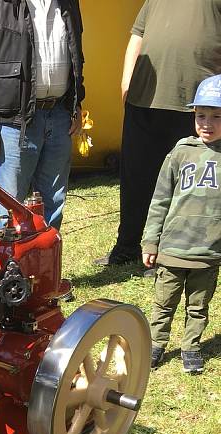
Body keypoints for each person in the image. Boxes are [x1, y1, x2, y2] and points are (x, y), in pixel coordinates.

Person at [96, 0, 221, 267]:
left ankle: (174, 253)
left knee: (186, 185)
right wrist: (126, 81)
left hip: (196, 106)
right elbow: (137, 36)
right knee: (136, 180)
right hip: (144, 100)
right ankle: (127, 246)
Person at [0, 0, 84, 230]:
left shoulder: (69, 2)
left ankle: (44, 264)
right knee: (10, 208)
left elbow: (76, 54)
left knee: (53, 204)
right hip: (14, 123)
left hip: (59, 115)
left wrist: (76, 104)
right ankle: (10, 265)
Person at [144, 74, 221, 376]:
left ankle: (191, 347)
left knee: (198, 306)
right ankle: (155, 344)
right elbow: (160, 200)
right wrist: (151, 242)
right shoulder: (180, 152)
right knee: (164, 303)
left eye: (217, 116)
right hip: (173, 249)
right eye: (201, 115)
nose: (207, 123)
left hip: (208, 252)